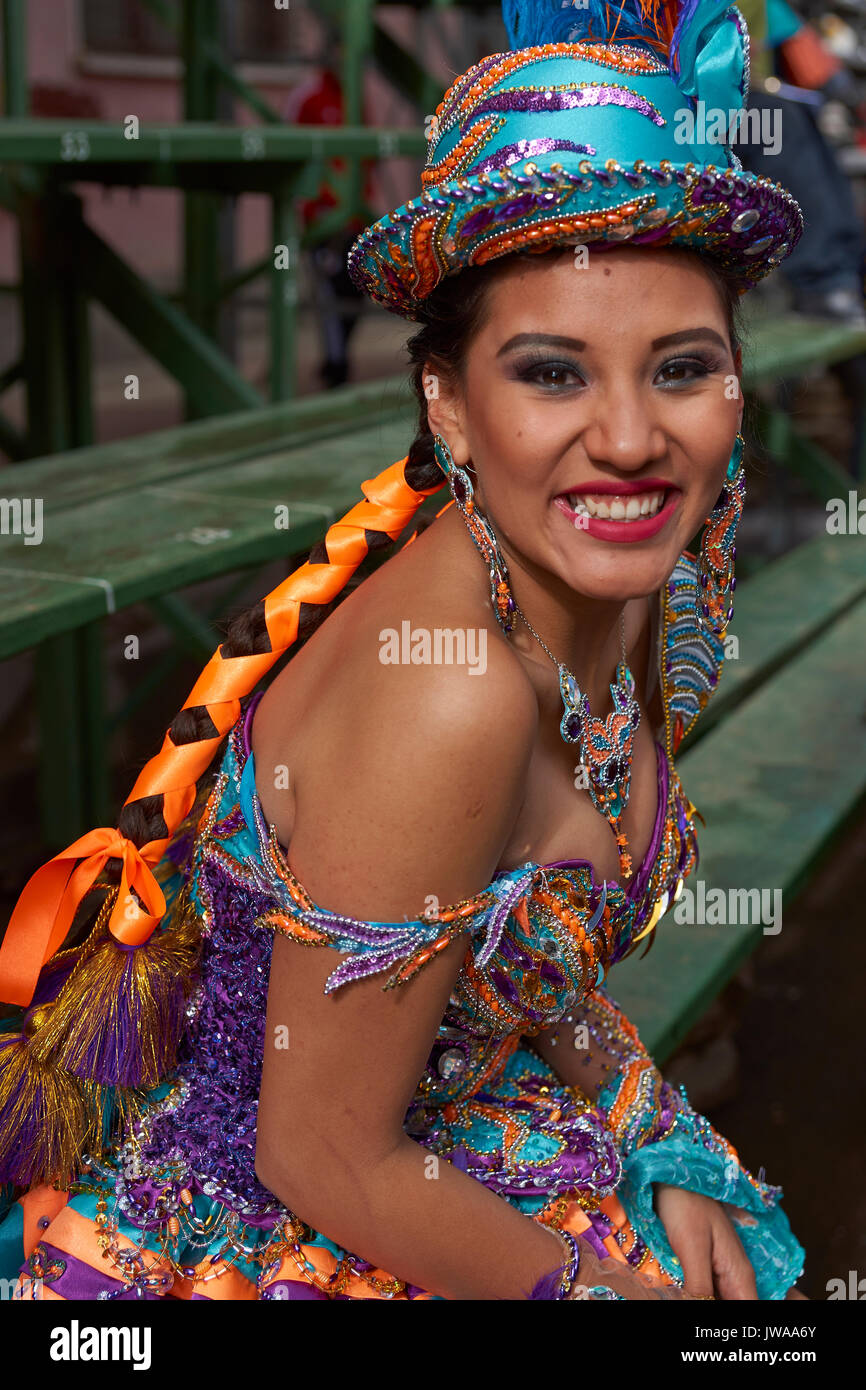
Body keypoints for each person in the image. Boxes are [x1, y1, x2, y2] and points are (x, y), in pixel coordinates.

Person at [0, 0, 809, 1301]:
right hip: (285, 1221)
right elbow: (318, 1148)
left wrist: (656, 1123)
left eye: (678, 368)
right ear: (449, 400)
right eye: (550, 372)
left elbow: (524, 958)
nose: (627, 438)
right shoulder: (448, 692)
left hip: (450, 1125)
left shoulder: (611, 574)